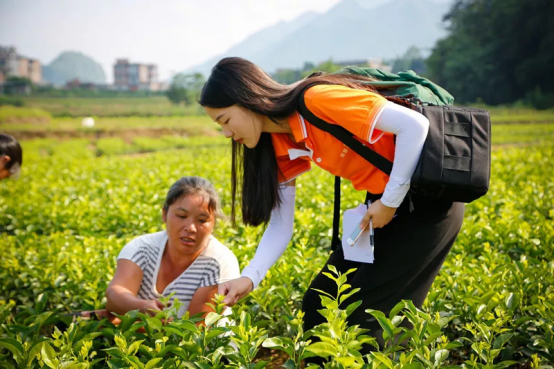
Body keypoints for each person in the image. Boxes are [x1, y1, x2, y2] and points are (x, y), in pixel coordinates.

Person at [199, 57, 465, 351]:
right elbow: (279, 224)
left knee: (372, 323)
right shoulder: (276, 142)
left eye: (225, 120)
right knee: (319, 305)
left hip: (427, 205)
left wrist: (389, 202)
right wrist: (248, 278)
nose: (226, 133)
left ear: (247, 100)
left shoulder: (316, 99)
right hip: (381, 208)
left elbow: (414, 126)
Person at [105, 176, 240, 319]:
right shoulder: (141, 248)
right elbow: (115, 296)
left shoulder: (219, 263)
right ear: (164, 214)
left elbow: (196, 332)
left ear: (213, 224)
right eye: (182, 216)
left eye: (202, 220)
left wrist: (132, 319)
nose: (191, 228)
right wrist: (141, 307)